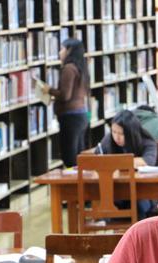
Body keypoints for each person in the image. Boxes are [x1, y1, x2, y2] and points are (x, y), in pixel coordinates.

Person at [43, 38, 90, 167]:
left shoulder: (69, 69)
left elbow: (65, 95)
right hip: (81, 115)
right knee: (78, 155)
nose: (59, 52)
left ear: (69, 51)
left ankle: (74, 185)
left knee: (69, 156)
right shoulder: (81, 67)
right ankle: (81, 183)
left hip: (70, 117)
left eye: (62, 49)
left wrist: (49, 90)